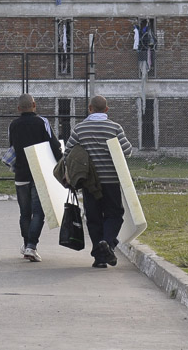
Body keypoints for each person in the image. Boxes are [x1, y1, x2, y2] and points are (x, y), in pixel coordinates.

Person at [63, 95, 132, 269]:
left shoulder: (80, 129)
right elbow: (127, 151)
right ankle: (107, 242)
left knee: (93, 218)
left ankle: (99, 258)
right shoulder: (115, 128)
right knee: (114, 215)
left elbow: (68, 154)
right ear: (106, 110)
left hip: (89, 182)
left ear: (90, 108)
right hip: (111, 180)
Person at [8, 93, 62, 262]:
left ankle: (27, 245)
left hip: (21, 174)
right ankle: (31, 246)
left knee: (25, 213)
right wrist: (61, 163)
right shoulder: (42, 122)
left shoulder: (13, 125)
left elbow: (12, 147)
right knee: (38, 212)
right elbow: (54, 145)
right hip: (40, 173)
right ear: (34, 104)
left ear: (18, 108)